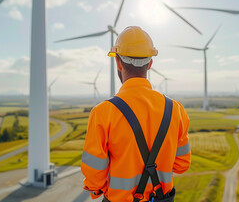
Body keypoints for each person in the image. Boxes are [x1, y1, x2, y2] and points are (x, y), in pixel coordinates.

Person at [81, 26, 191, 202]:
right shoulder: (176, 110)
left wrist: (96, 190)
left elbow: (94, 176)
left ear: (117, 62)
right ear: (150, 64)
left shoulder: (102, 113)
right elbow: (181, 165)